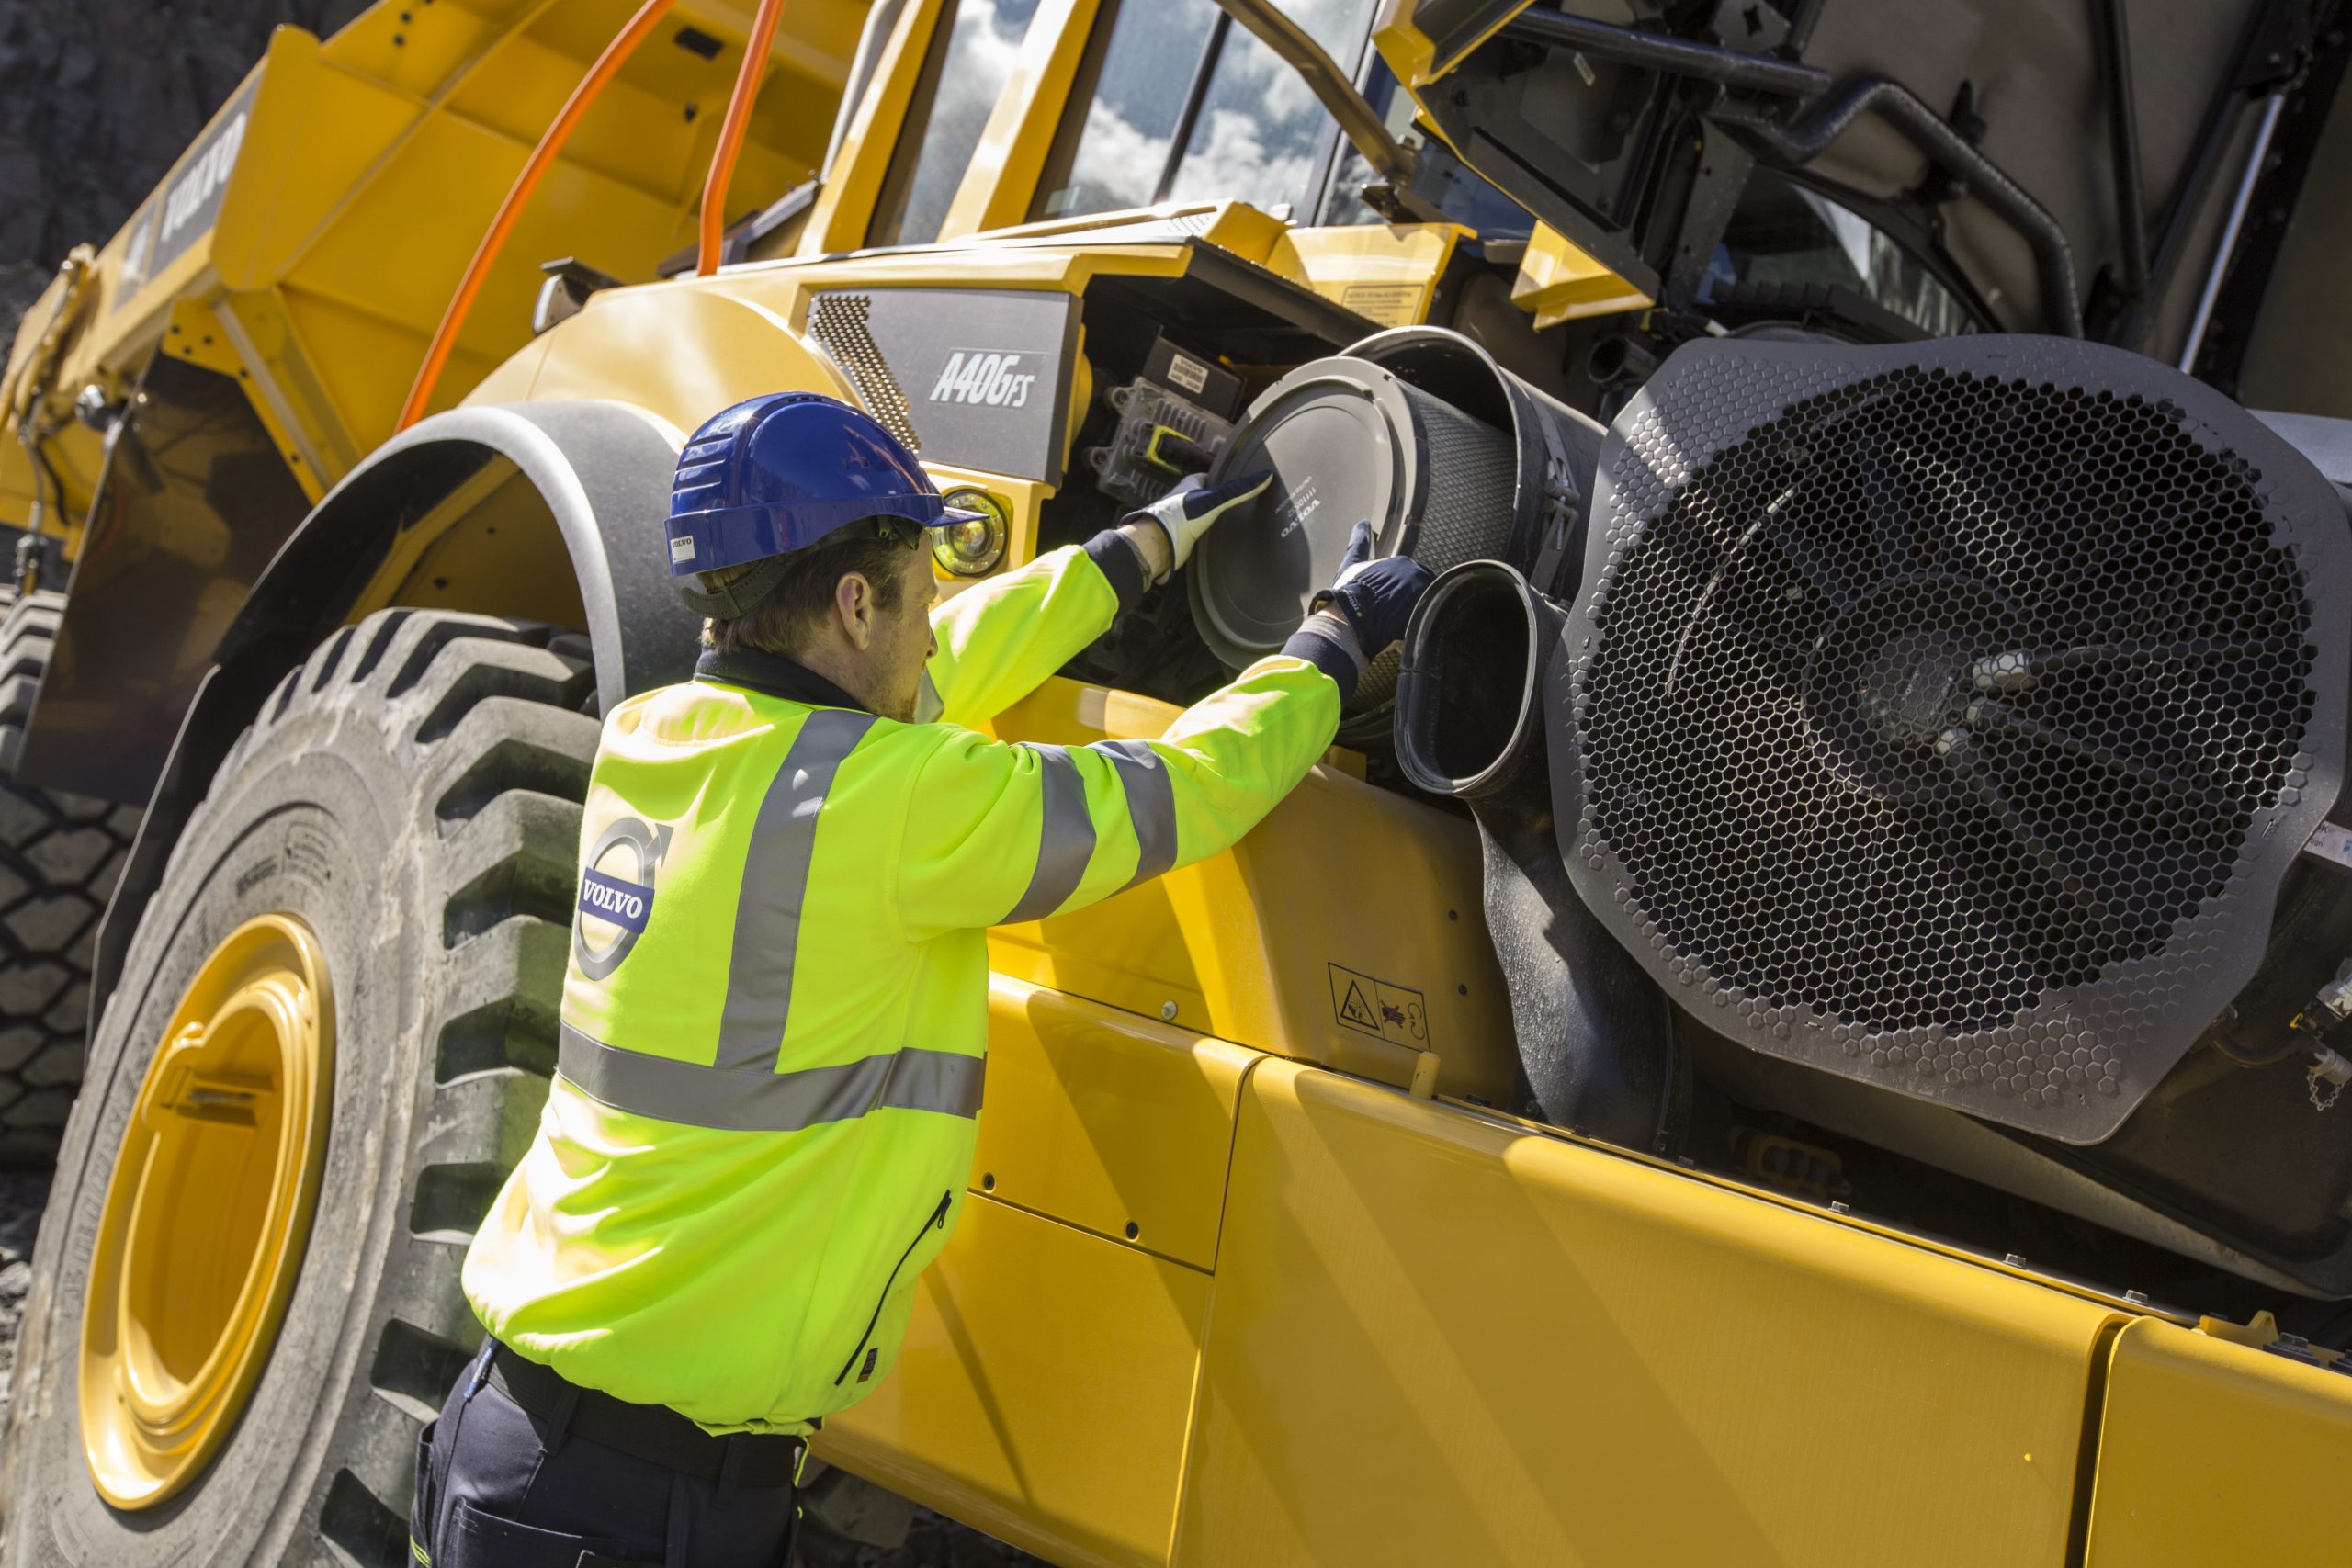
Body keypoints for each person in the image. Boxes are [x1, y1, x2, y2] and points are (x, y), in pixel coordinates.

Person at [410, 391, 1432, 1567]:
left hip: (533, 1448)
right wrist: (1330, 646)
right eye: (919, 586)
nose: (937, 620)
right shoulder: (889, 804)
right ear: (852, 603)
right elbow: (1176, 792)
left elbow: (945, 662)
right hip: (630, 1509)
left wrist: (1143, 545)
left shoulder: (661, 740)